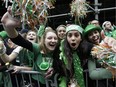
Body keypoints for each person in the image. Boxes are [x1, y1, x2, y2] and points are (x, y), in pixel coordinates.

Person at [1, 6, 58, 86]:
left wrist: (55, 69)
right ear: (43, 41)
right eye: (49, 38)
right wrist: (9, 27)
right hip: (37, 84)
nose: (53, 40)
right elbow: (19, 41)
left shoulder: (60, 50)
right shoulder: (38, 48)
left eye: (55, 38)